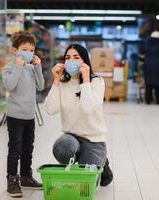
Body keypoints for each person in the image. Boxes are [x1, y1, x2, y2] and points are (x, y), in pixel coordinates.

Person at [44, 44, 113, 186]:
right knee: (62, 148)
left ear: (84, 61)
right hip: (72, 137)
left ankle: (103, 163)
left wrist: (85, 80)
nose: (71, 61)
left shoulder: (96, 82)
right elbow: (50, 109)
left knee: (84, 186)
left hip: (93, 140)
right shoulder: (63, 82)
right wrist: (56, 81)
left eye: (76, 57)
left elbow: (87, 108)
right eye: (68, 58)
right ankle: (81, 159)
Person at [2, 31, 44, 197]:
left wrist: (38, 66)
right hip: (15, 116)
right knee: (15, 148)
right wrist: (19, 65)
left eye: (32, 50)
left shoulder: (31, 68)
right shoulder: (9, 67)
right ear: (15, 50)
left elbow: (41, 86)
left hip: (29, 116)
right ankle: (12, 180)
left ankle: (26, 176)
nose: (29, 53)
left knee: (28, 148)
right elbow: (10, 86)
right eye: (25, 49)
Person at [143, 31, 159, 105]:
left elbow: (142, 51)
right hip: (157, 65)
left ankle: (148, 100)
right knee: (158, 84)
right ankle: (158, 101)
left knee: (148, 84)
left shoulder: (147, 43)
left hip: (148, 65)